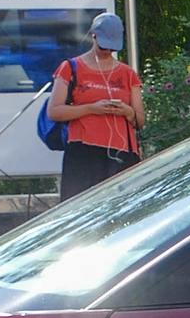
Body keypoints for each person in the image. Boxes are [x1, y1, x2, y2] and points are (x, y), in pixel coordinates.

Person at [50, 12, 144, 198]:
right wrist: (91, 108)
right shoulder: (70, 67)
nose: (107, 50)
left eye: (112, 47)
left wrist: (127, 111)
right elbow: (53, 111)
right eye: (104, 45)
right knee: (79, 208)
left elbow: (140, 121)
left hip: (121, 152)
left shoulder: (127, 73)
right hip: (83, 152)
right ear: (93, 34)